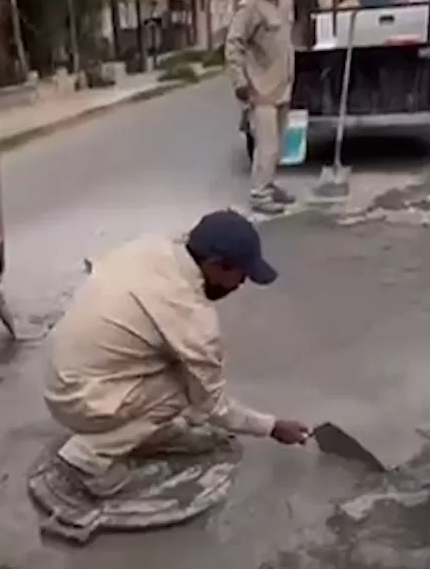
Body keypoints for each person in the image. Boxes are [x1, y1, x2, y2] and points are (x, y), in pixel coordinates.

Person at [44, 210, 311, 498]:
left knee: (172, 363)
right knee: (186, 387)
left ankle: (143, 434)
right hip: (79, 398)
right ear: (215, 265)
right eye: (240, 274)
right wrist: (271, 427)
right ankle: (86, 460)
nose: (240, 285)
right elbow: (213, 406)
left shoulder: (150, 248)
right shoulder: (190, 315)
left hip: (62, 373)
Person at [226, 0, 300, 216]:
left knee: (279, 145)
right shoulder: (251, 3)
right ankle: (259, 195)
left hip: (282, 84)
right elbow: (233, 44)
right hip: (260, 89)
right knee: (266, 146)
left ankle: (269, 185)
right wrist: (240, 84)